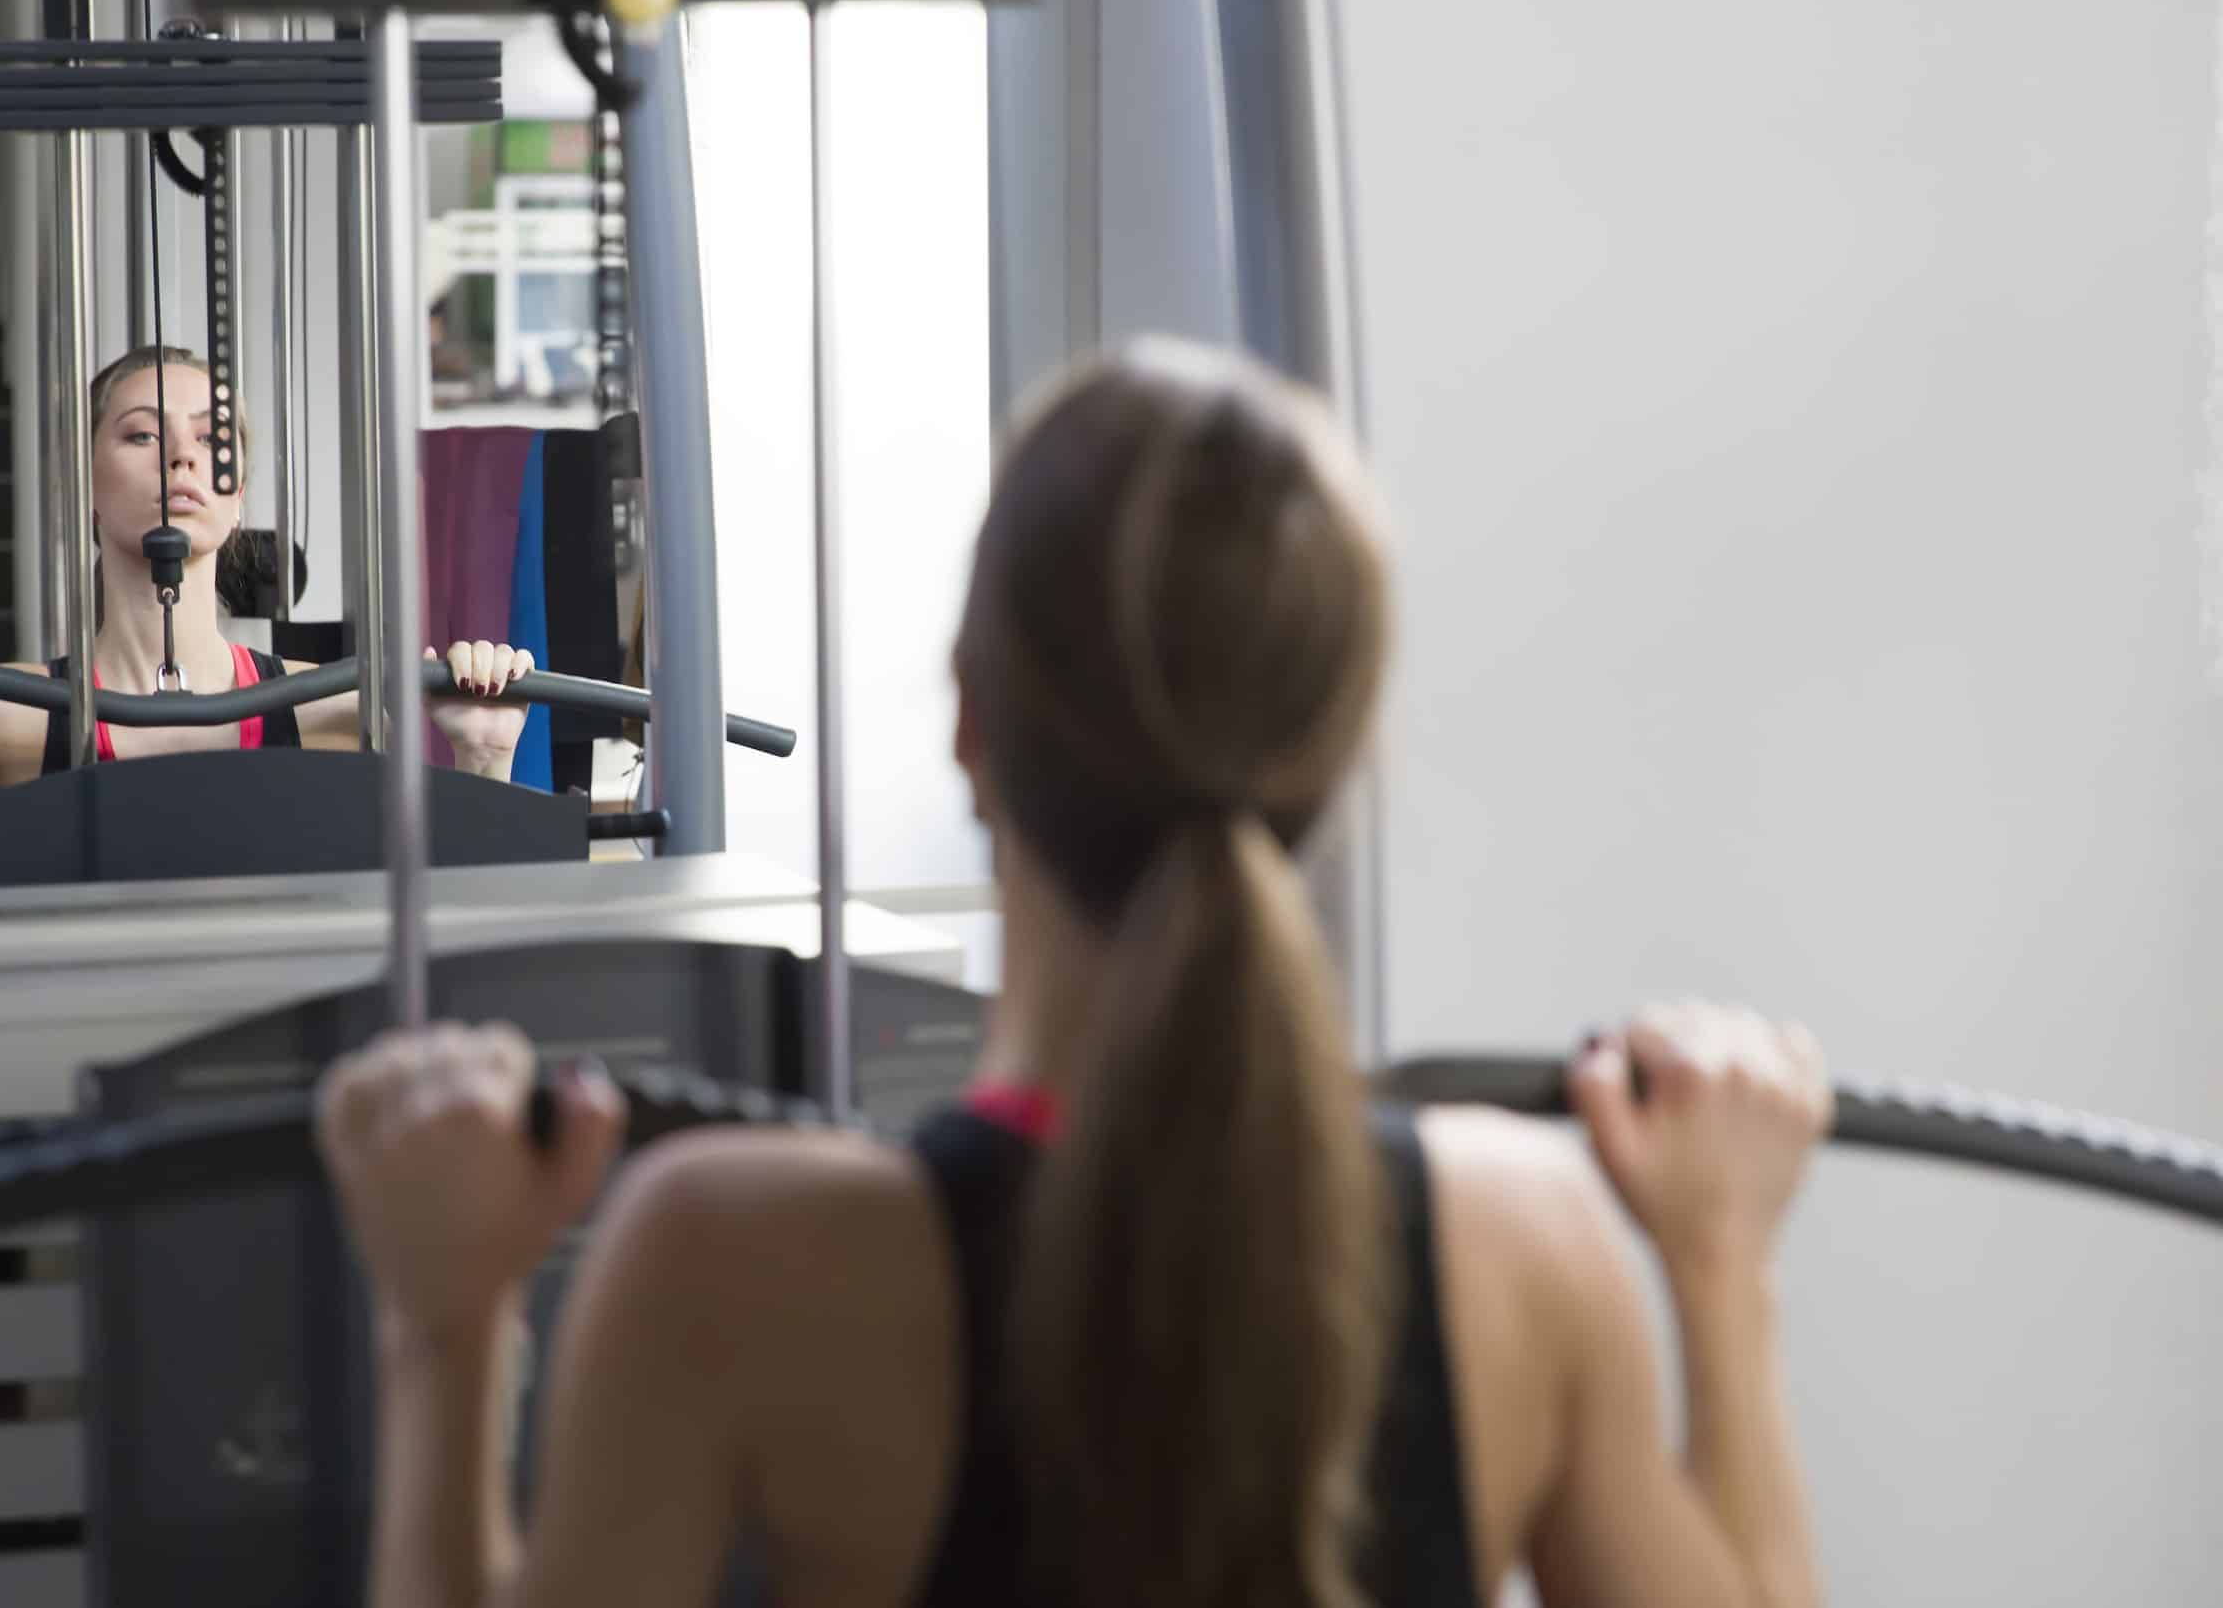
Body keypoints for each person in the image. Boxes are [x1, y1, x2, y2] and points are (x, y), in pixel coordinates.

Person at [315, 341, 1833, 1608]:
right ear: (1330, 757)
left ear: (970, 726)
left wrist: (445, 1325)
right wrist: (1719, 1263)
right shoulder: (1531, 1248)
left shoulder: (728, 1258)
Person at [0, 345, 530, 798]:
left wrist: (483, 756)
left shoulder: (331, 711)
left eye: (213, 439)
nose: (182, 456)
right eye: (142, 434)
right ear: (83, 486)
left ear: (238, 502)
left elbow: (423, 923)